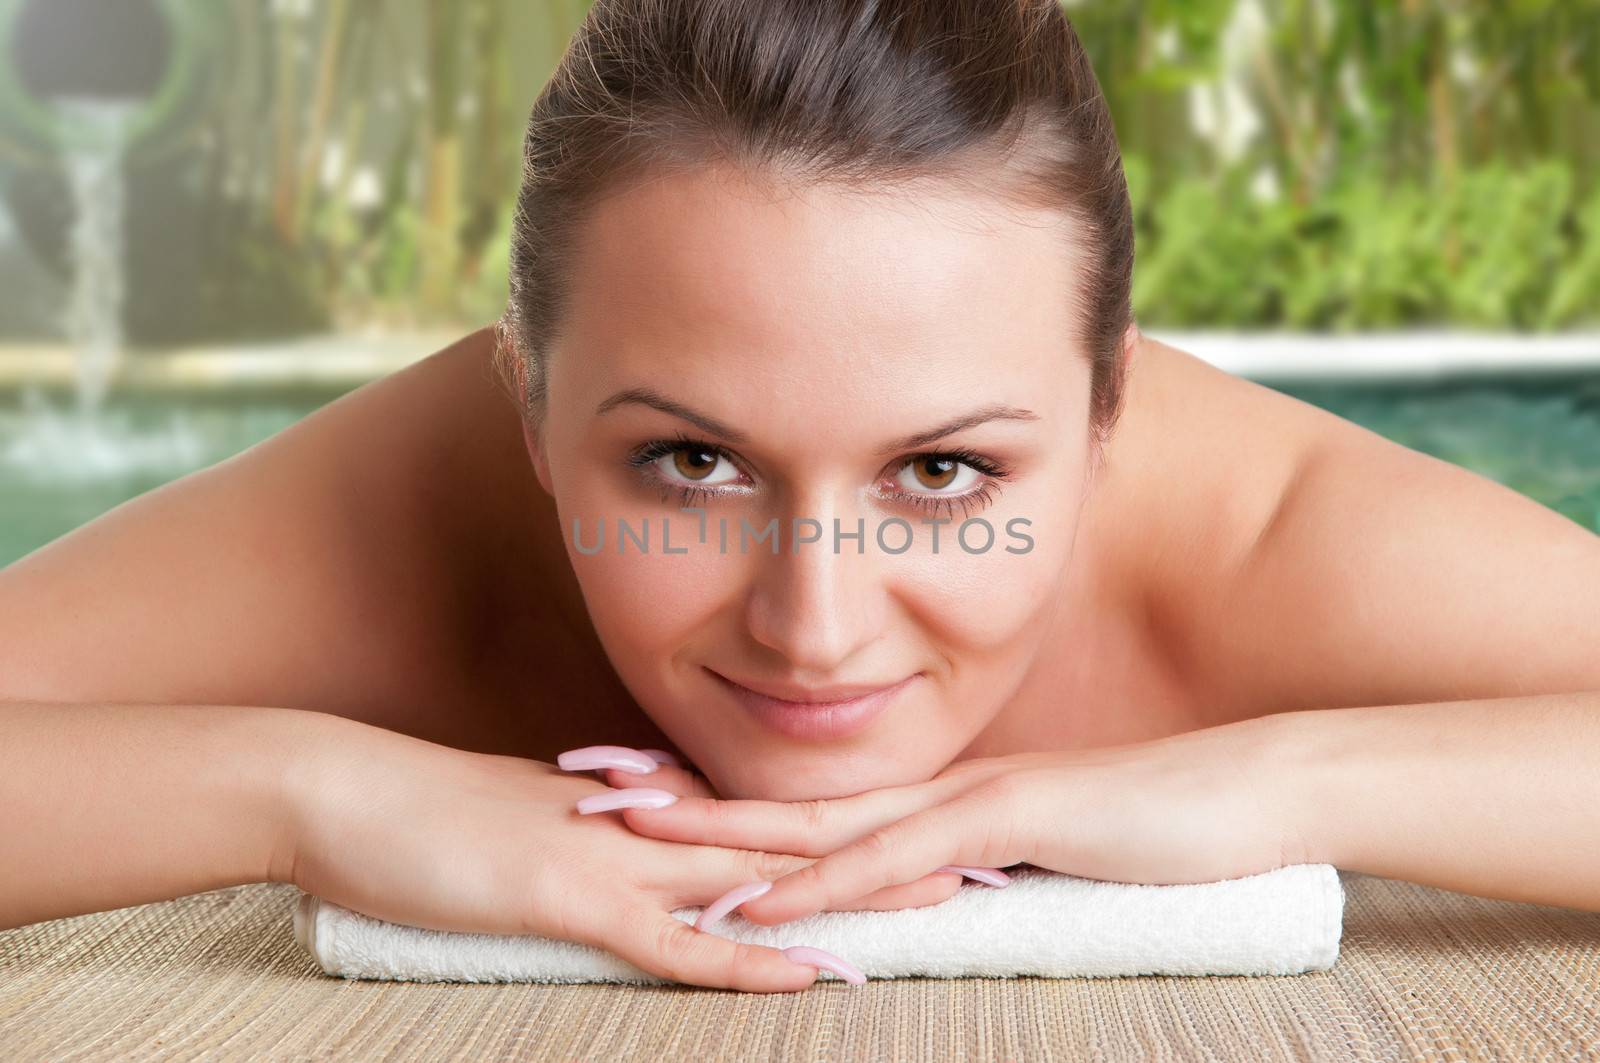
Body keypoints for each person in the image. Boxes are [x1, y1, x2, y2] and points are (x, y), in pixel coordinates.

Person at [3, 0, 1598, 995]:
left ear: (1109, 410)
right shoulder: (422, 509)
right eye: (691, 462)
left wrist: (1272, 784)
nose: (813, 626)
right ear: (532, 408)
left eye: (943, 472)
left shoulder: (1265, 548)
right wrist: (315, 798)